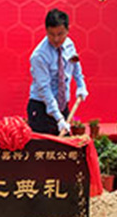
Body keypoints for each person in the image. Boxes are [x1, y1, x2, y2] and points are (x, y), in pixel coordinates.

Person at [27, 8, 88, 136]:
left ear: (67, 30)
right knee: (45, 147)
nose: (56, 39)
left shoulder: (69, 44)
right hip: (42, 107)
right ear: (46, 31)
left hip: (62, 105)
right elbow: (44, 89)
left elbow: (75, 64)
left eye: (60, 34)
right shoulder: (39, 56)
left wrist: (81, 85)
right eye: (51, 34)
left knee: (64, 146)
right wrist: (59, 118)